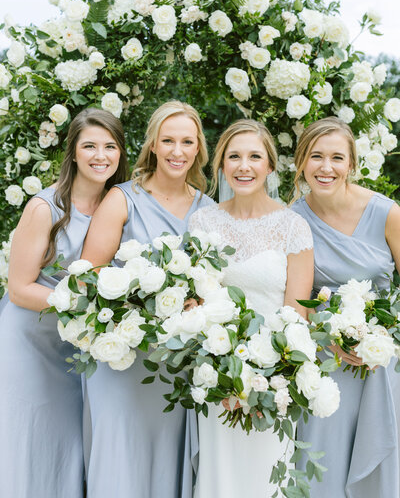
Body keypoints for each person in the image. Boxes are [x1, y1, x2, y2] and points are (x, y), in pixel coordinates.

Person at [81, 100, 214, 498]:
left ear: (197, 150)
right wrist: (143, 295)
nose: (177, 151)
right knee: (120, 461)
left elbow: (214, 286)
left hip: (175, 366)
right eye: (167, 140)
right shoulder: (122, 198)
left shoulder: (209, 211)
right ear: (152, 145)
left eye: (186, 142)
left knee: (165, 464)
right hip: (122, 358)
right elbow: (89, 273)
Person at [0, 108, 127, 498]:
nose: (100, 155)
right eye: (89, 146)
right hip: (31, 344)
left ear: (121, 153)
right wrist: (82, 308)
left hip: (77, 349)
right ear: (73, 152)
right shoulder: (45, 208)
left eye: (109, 146)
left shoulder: (119, 205)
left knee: (70, 445)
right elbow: (20, 287)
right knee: (29, 440)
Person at [188, 119, 314, 498]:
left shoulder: (293, 226)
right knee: (219, 474)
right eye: (234, 157)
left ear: (270, 166)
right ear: (222, 166)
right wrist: (224, 375)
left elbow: (297, 314)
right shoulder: (202, 221)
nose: (244, 166)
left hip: (273, 378)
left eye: (255, 157)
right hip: (216, 372)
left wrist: (269, 379)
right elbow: (199, 299)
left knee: (265, 477)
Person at [291, 116, 400, 498]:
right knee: (324, 461)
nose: (326, 167)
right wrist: (327, 338)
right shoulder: (292, 219)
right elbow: (292, 302)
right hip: (324, 362)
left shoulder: (388, 214)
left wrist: (384, 335)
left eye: (337, 157)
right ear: (301, 161)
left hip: (383, 361)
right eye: (316, 156)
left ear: (351, 163)